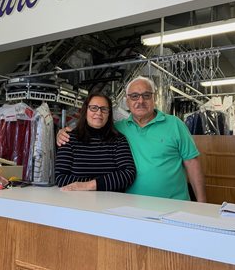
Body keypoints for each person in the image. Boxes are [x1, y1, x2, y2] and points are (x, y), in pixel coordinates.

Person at [58, 77, 206, 202]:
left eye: (146, 95)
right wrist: (62, 133)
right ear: (127, 101)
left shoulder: (175, 124)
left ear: (154, 98)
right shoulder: (118, 129)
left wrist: (201, 204)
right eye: (134, 96)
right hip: (131, 206)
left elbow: (192, 163)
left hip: (174, 205)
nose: (140, 100)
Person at [55, 92, 136, 192]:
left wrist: (88, 186)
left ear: (109, 114)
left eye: (104, 109)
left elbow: (128, 174)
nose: (98, 113)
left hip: (112, 204)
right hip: (76, 204)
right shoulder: (68, 138)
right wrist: (106, 184)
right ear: (85, 111)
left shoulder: (118, 140)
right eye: (93, 108)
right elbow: (60, 177)